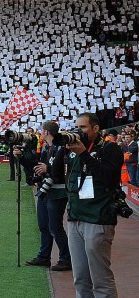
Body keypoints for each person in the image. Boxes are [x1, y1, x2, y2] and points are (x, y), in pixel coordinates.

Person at [65, 112, 124, 298]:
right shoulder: (73, 152)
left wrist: (84, 153)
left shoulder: (110, 149)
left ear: (96, 128)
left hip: (98, 219)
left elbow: (107, 178)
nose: (78, 131)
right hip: (76, 218)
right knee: (80, 279)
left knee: (101, 279)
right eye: (77, 127)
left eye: (83, 127)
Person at [16, 121, 71, 271]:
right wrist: (21, 157)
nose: (40, 133)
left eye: (41, 130)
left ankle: (66, 259)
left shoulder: (62, 147)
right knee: (43, 226)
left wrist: (49, 168)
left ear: (46, 132)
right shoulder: (47, 147)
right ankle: (44, 257)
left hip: (57, 192)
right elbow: (37, 166)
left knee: (55, 227)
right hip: (45, 190)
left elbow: (65, 169)